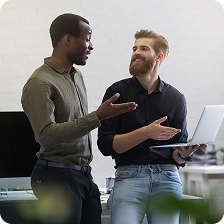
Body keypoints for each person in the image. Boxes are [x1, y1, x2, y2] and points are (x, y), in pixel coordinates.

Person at [21, 13, 137, 224]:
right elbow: (45, 135)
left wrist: (97, 117)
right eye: (87, 38)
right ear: (67, 39)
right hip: (57, 178)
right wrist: (97, 117)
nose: (91, 46)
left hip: (83, 176)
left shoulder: (76, 76)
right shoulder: (40, 82)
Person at [97, 29, 207, 224]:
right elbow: (106, 145)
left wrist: (184, 154)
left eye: (144, 48)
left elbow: (176, 153)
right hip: (129, 176)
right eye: (134, 48)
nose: (136, 52)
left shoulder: (176, 98)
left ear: (159, 57)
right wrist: (147, 132)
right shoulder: (116, 93)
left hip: (167, 177)